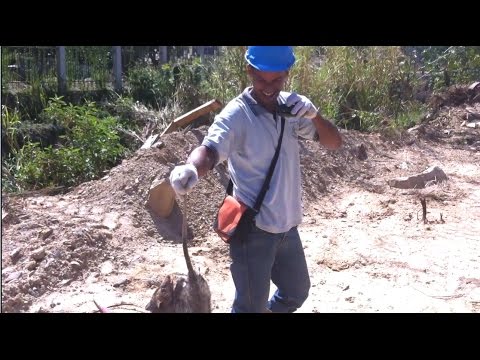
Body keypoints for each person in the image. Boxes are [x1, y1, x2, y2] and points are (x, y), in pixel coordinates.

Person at [169, 46, 342, 313]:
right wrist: (191, 169)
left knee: (296, 292)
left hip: (287, 227)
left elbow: (333, 142)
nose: (270, 87)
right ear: (249, 71)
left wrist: (314, 114)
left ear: (287, 73)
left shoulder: (292, 109)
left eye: (277, 80)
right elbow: (211, 149)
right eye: (262, 79)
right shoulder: (237, 114)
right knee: (249, 307)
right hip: (254, 231)